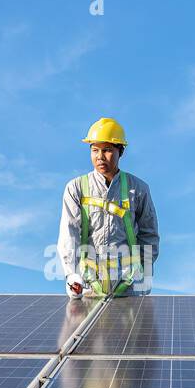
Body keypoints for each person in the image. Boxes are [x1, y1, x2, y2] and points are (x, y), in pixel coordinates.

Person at [57, 117, 159, 298]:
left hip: (129, 288)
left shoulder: (139, 189)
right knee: (84, 327)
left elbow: (149, 235)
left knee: (134, 328)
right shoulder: (76, 188)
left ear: (121, 151)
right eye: (95, 150)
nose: (100, 157)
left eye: (107, 150)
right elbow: (69, 234)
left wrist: (142, 273)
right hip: (88, 287)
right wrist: (72, 274)